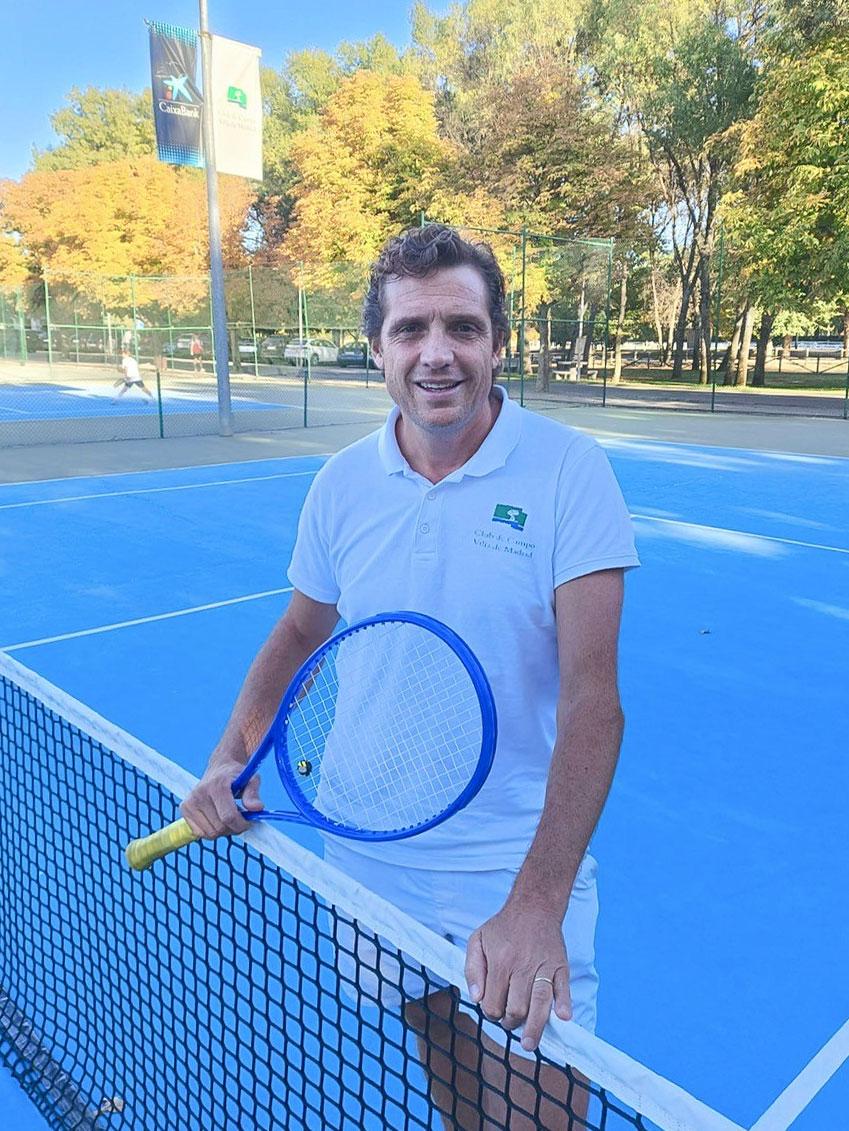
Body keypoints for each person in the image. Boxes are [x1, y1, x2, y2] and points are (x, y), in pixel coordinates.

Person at [180, 224, 639, 1128]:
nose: (438, 353)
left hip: (509, 855)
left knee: (541, 1114)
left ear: (497, 343)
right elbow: (300, 630)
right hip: (366, 848)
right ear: (378, 349)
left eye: (462, 328)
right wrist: (229, 756)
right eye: (411, 329)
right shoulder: (342, 483)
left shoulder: (569, 474)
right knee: (442, 1065)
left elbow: (595, 699)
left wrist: (535, 902)